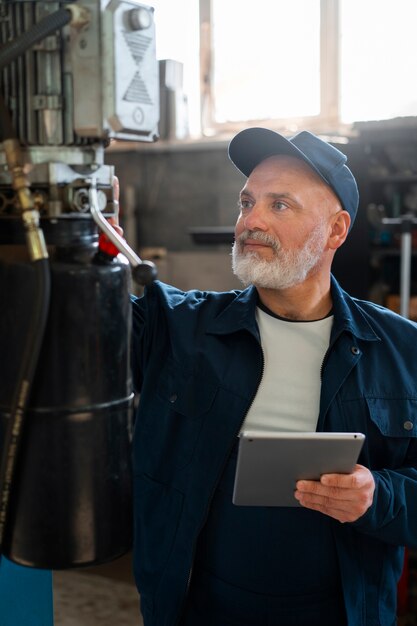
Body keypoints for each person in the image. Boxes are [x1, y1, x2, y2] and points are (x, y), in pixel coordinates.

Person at [125, 127, 417, 626]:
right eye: (246, 203)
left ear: (336, 230)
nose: (249, 221)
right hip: (199, 610)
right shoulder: (176, 328)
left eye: (280, 205)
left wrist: (378, 495)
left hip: (339, 613)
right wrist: (91, 244)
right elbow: (76, 329)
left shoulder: (403, 349)